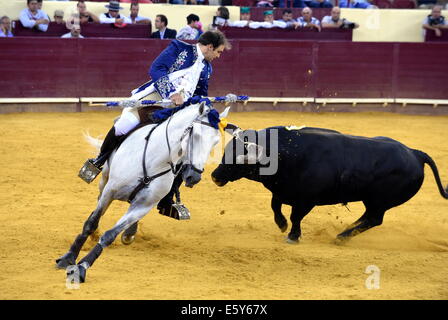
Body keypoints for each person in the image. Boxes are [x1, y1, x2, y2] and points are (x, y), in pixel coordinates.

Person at [79, 30, 231, 215]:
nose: (218, 55)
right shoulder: (179, 48)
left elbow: (200, 93)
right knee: (123, 125)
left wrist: (204, 108)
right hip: (156, 97)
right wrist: (172, 94)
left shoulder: (207, 68)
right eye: (219, 51)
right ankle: (99, 161)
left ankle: (169, 198)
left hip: (179, 109)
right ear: (209, 47)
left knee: (186, 149)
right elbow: (156, 69)